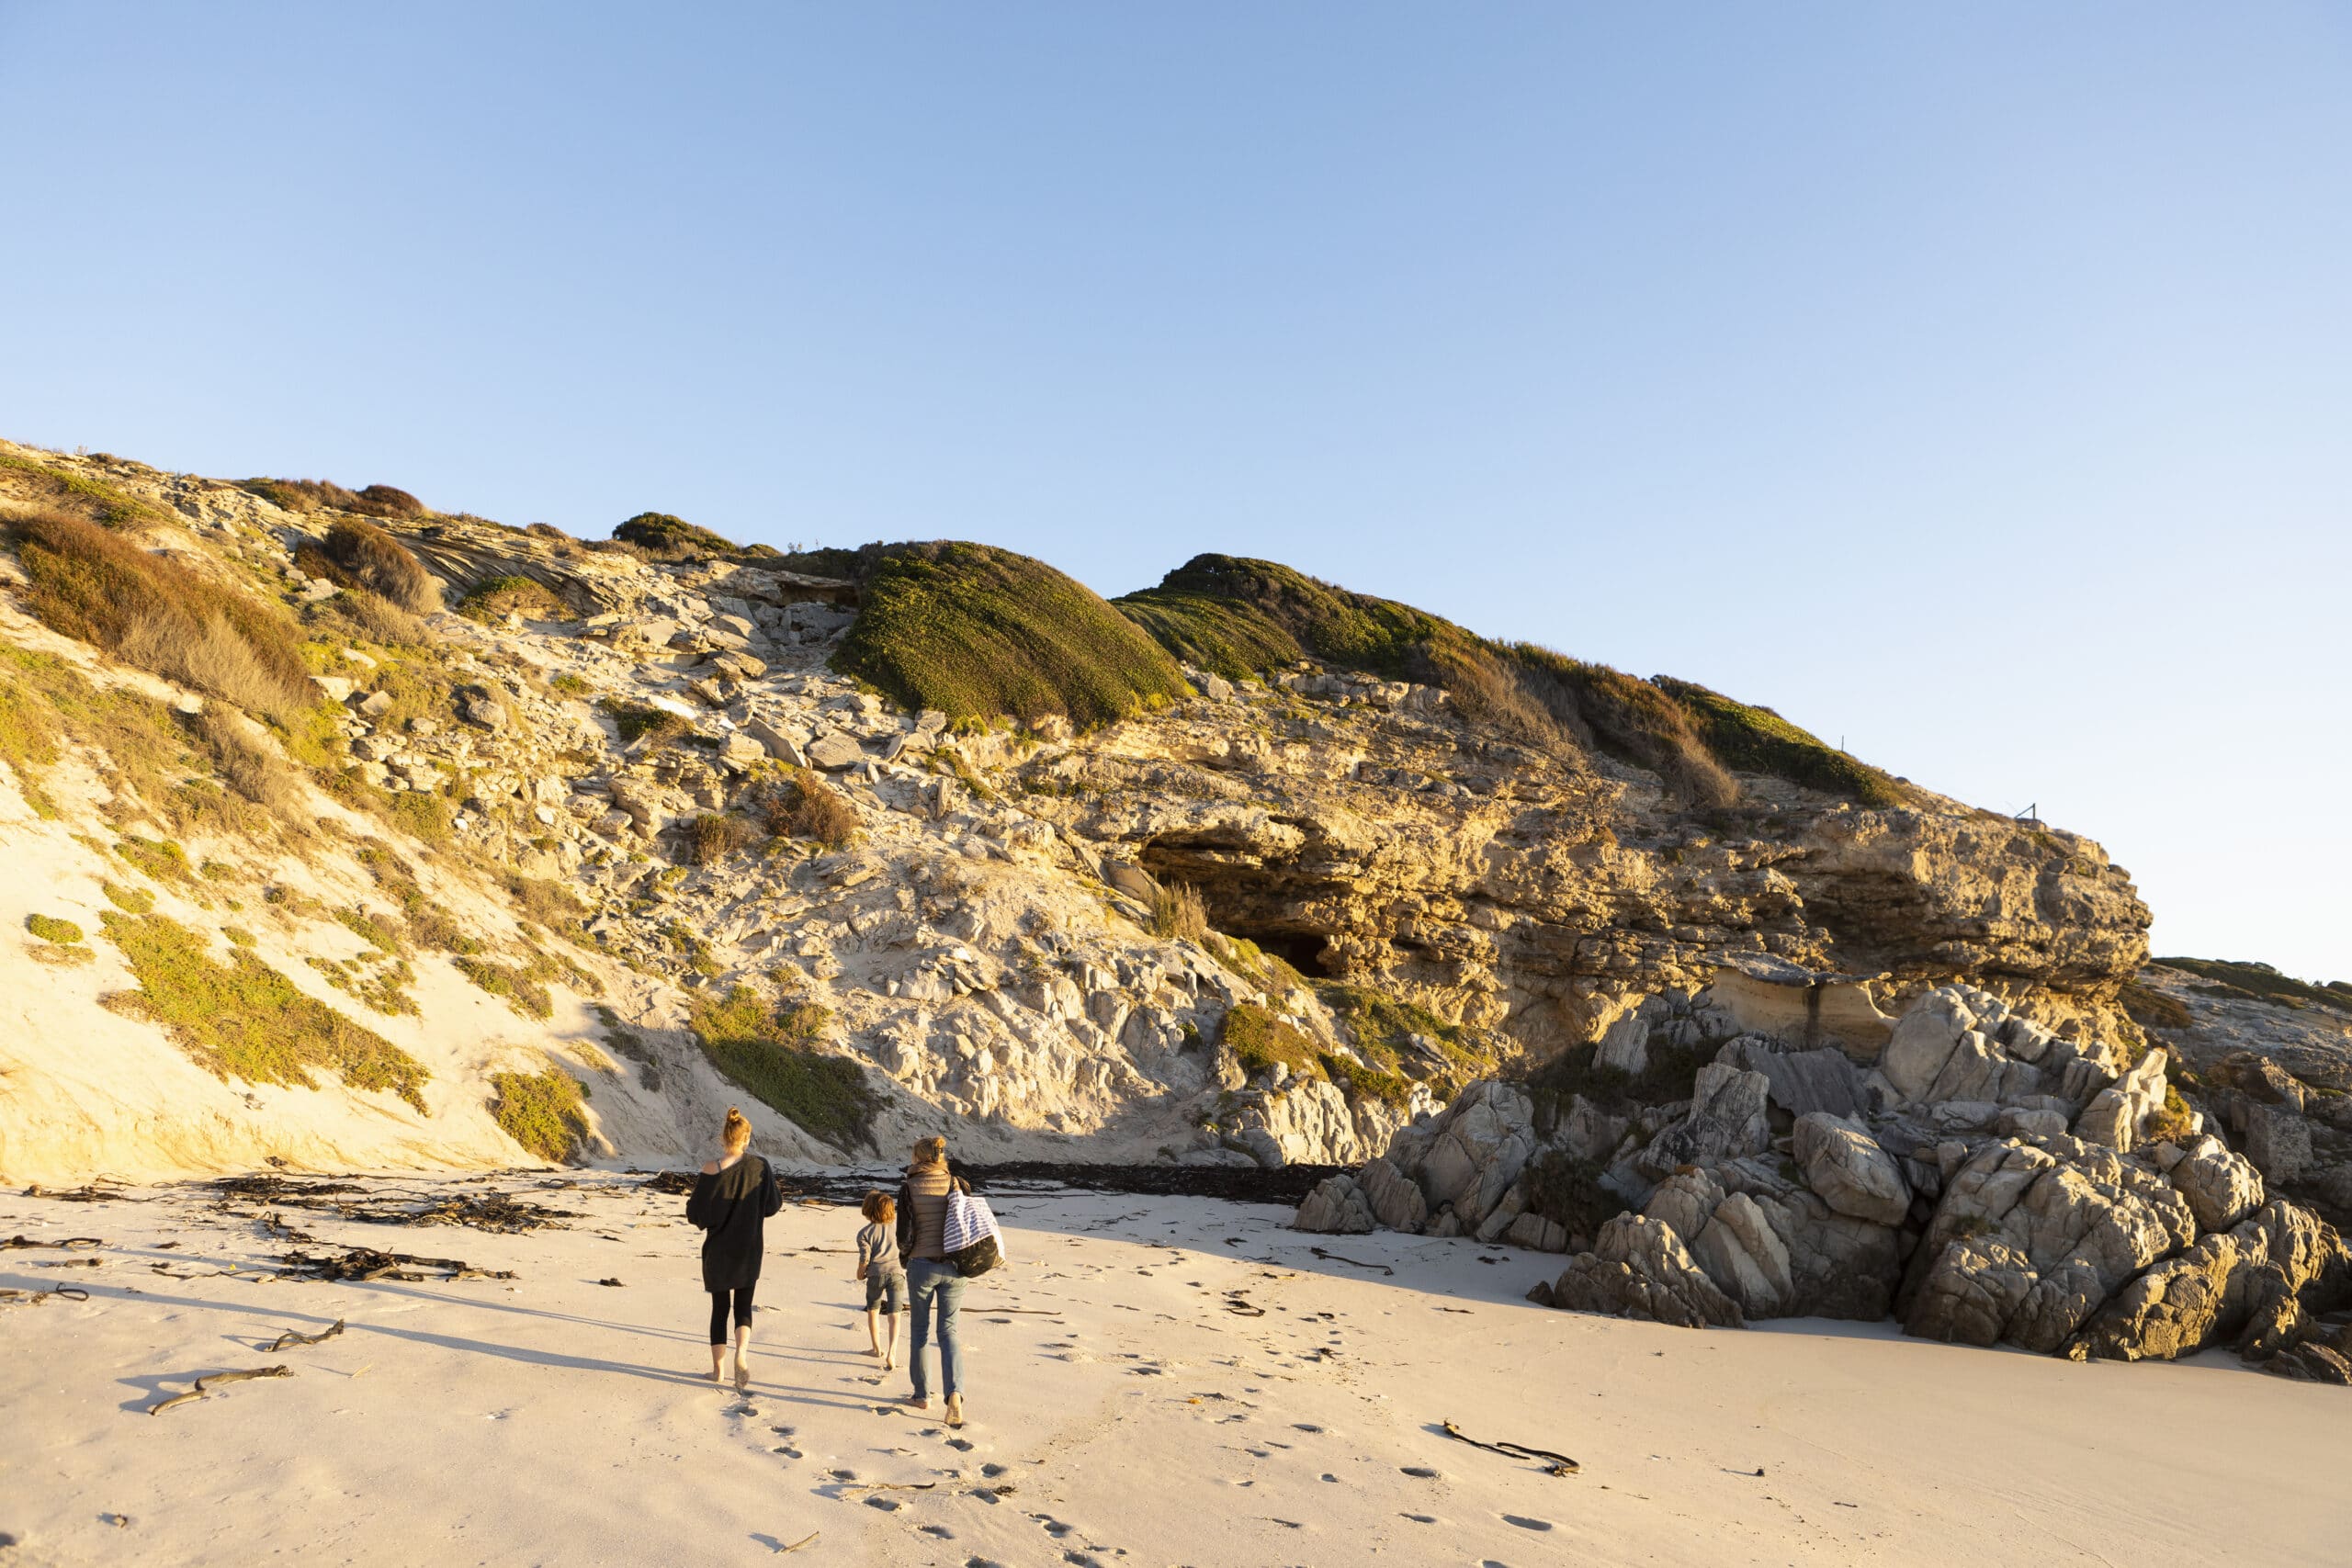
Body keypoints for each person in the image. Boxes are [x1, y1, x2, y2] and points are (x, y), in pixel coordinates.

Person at [685, 1107, 781, 1392]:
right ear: (747, 1137)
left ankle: (718, 1372)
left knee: (719, 1309)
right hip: (749, 1248)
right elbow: (773, 1206)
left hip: (718, 1251)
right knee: (743, 1306)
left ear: (724, 1137)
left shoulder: (710, 1169)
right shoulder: (760, 1166)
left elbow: (695, 1214)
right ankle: (742, 1354)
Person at [893, 1135, 973, 1427]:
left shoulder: (909, 1187)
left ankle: (921, 1394)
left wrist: (906, 1257)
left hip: (922, 1266)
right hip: (954, 1266)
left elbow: (903, 1235)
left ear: (919, 1158)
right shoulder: (957, 1183)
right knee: (949, 1331)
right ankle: (954, 1394)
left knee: (919, 1330)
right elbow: (967, 1221)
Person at [855, 1191, 907, 1371]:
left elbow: (865, 1258)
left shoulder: (864, 1233)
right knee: (895, 1314)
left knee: (873, 1311)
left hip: (876, 1274)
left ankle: (877, 1349)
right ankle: (892, 1352)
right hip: (897, 1274)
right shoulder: (898, 1228)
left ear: (868, 1210)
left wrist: (860, 1273)